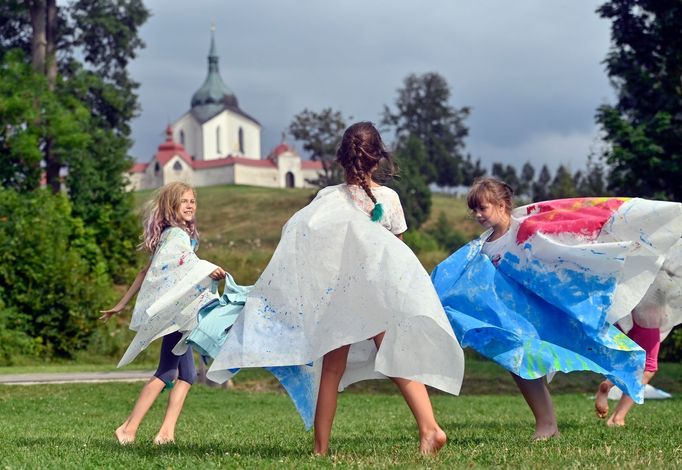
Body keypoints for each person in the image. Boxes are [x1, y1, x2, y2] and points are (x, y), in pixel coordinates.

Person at [208, 122, 464, 456]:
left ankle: (320, 448)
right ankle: (430, 428)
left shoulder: (327, 199)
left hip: (340, 299)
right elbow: (396, 255)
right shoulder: (389, 199)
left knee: (331, 370)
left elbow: (308, 246)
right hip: (378, 296)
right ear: (377, 158)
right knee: (396, 359)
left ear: (342, 158)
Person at [432, 177, 682, 439]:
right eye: (474, 210)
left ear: (503, 204)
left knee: (527, 362)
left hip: (547, 313)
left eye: (482, 208)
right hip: (513, 319)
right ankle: (547, 424)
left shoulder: (527, 229)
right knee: (520, 364)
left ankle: (550, 424)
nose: (477, 215)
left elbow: (571, 233)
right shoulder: (481, 247)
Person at [100, 182, 225, 445]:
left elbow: (147, 271)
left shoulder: (174, 235)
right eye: (184, 201)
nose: (190, 205)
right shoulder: (176, 236)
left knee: (188, 376)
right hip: (176, 315)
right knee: (168, 371)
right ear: (171, 206)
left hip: (179, 314)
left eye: (193, 201)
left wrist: (122, 304)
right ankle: (128, 428)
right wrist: (208, 269)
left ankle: (165, 434)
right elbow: (187, 264)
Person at [595, 239, 682, 426]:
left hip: (626, 317)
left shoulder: (636, 252)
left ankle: (611, 392)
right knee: (648, 369)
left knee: (627, 363)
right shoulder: (666, 255)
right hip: (648, 319)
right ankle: (617, 413)